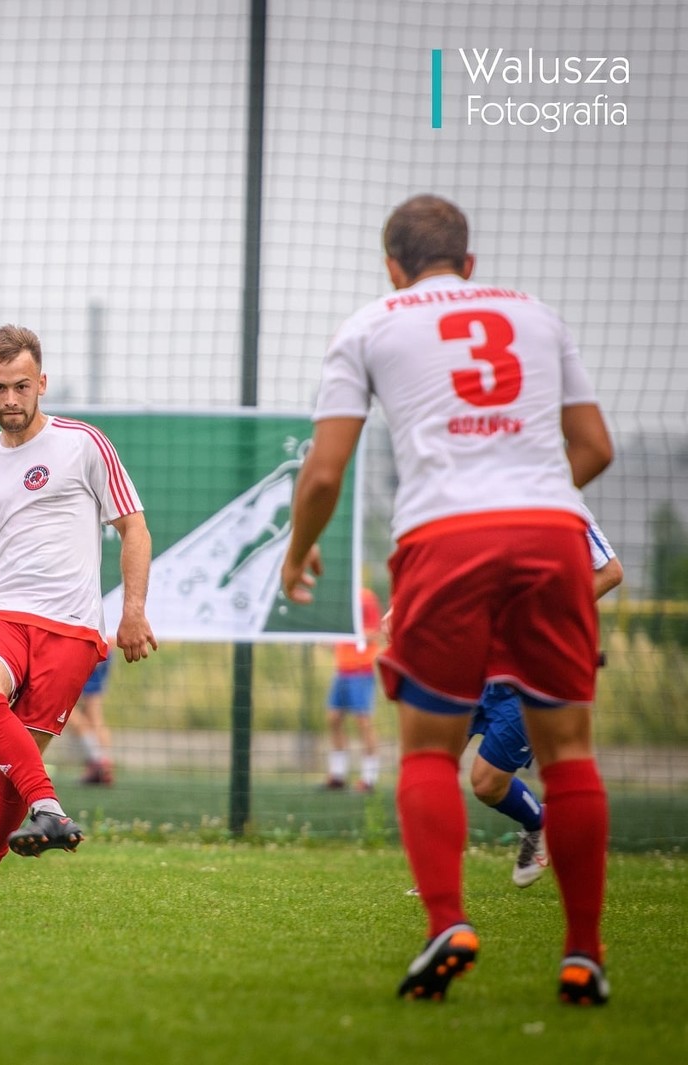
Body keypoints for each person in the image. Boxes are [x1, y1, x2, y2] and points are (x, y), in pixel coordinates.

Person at [281, 195, 614, 1005]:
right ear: (468, 263)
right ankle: (584, 954)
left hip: (445, 539)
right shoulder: (537, 315)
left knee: (429, 751)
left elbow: (322, 473)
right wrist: (528, 493)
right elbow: (596, 447)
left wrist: (296, 554)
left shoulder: (370, 325)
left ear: (392, 268)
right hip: (550, 531)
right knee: (570, 753)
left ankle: (447, 923)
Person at [0, 324, 157, 905]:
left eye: (22, 386)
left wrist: (133, 611)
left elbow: (134, 528)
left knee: (15, 769)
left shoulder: (83, 443)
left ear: (42, 383)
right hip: (5, 612)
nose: (11, 399)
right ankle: (50, 808)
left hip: (72, 628)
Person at [468, 515, 621, 889]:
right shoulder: (475, 498)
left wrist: (544, 615)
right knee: (432, 761)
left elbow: (611, 572)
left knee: (486, 784)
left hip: (527, 674)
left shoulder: (564, 509)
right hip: (472, 664)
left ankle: (540, 823)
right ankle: (434, 880)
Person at [324, 587, 383, 793]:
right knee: (333, 718)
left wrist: (351, 633)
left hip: (362, 670)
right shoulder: (338, 598)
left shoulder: (366, 597)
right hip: (341, 669)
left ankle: (369, 777)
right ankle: (338, 774)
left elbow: (375, 632)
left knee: (363, 722)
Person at [71, 658, 115, 786]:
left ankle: (98, 761)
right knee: (94, 715)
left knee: (63, 709)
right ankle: (103, 765)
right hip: (101, 653)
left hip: (91, 654)